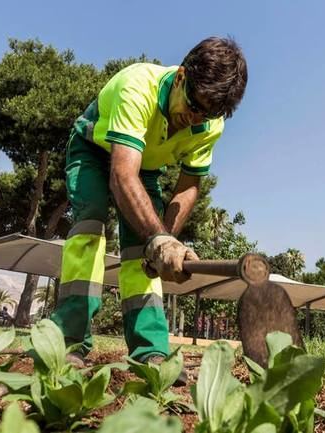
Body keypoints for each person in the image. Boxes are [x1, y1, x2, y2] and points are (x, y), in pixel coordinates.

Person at [50, 37, 247, 385]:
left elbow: (188, 185)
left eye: (208, 113)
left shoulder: (210, 123)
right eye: (194, 105)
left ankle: (150, 351)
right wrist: (158, 237)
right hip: (95, 149)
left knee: (144, 255)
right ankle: (69, 341)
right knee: (90, 225)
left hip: (146, 167)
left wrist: (164, 243)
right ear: (182, 76)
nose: (195, 119)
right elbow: (121, 174)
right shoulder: (137, 85)